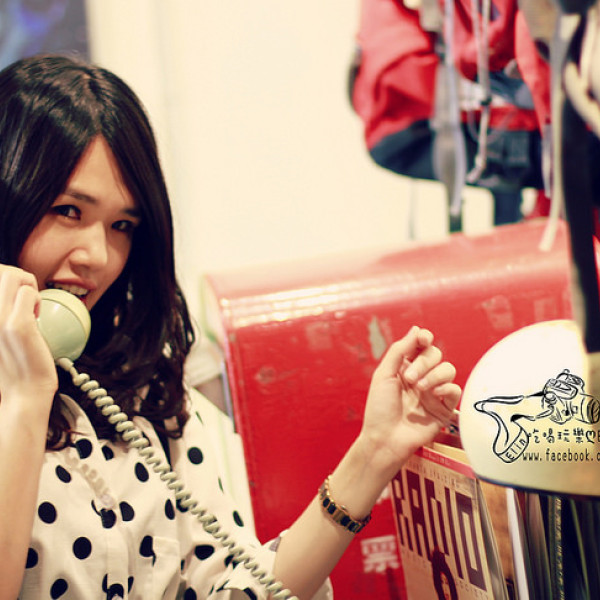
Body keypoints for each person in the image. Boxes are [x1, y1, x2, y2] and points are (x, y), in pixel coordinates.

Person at [0, 53, 462, 600]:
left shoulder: (144, 392)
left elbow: (231, 590)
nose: (98, 256)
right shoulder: (23, 399)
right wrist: (24, 399)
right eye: (68, 211)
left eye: (122, 225)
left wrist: (374, 454)